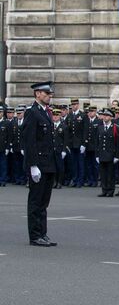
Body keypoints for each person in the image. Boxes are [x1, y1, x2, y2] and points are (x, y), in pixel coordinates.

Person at [22, 81, 58, 247]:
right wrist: (32, 165)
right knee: (35, 202)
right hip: (38, 165)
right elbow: (29, 141)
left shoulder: (46, 113)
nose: (49, 96)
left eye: (49, 93)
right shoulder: (32, 113)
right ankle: (35, 235)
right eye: (46, 93)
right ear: (37, 94)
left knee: (44, 202)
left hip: (48, 164)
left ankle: (42, 233)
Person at [95, 109, 119, 197]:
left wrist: (116, 156)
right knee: (103, 174)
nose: (104, 117)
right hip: (102, 154)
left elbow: (118, 143)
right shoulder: (100, 127)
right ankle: (104, 190)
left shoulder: (115, 127)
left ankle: (110, 190)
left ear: (110, 117)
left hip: (111, 155)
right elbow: (97, 142)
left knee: (110, 174)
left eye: (106, 116)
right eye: (104, 115)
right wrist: (97, 155)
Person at [51, 109, 69, 189]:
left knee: (60, 167)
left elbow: (66, 140)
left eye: (56, 116)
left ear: (59, 116)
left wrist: (64, 150)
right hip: (52, 149)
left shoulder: (64, 126)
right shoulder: (50, 126)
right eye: (53, 116)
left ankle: (59, 182)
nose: (55, 117)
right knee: (52, 166)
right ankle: (54, 181)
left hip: (60, 149)